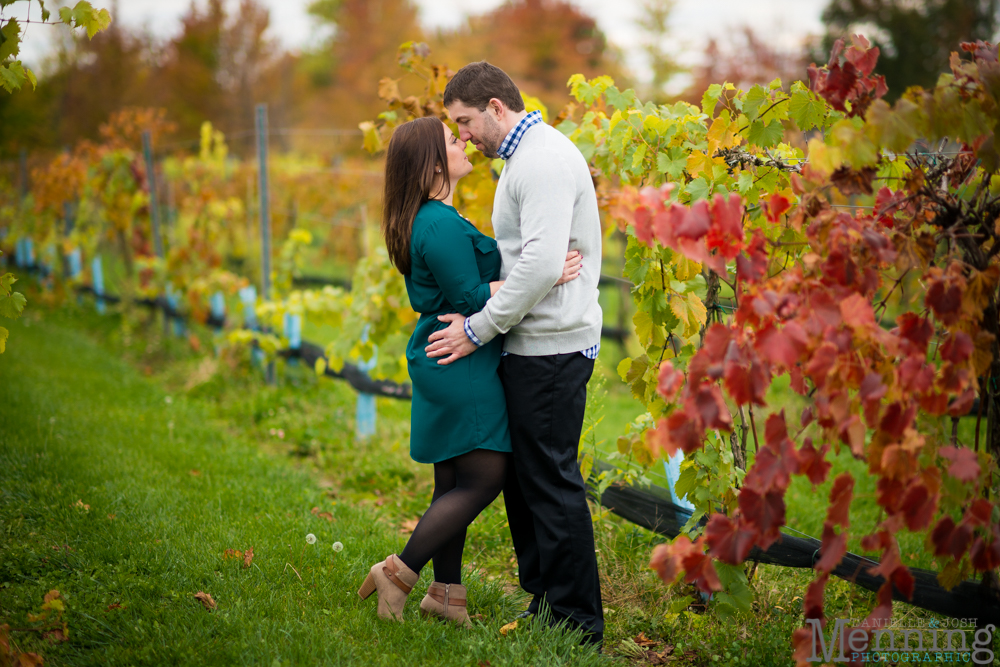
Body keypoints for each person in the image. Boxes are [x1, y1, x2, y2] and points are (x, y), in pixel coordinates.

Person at [357, 115, 582, 626]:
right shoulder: (436, 223)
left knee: (453, 481)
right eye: (451, 138)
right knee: (485, 478)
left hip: (447, 356)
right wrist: (545, 275)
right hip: (461, 362)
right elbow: (471, 298)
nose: (463, 141)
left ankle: (447, 595)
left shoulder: (433, 217)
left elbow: (470, 293)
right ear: (433, 164)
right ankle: (398, 572)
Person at [425, 61, 605, 646]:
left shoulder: (544, 161)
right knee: (528, 482)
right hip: (530, 340)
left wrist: (477, 328)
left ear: (497, 108)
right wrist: (508, 291)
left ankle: (577, 622)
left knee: (550, 481)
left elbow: (541, 263)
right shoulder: (521, 162)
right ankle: (547, 602)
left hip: (553, 345)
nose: (464, 134)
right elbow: (528, 263)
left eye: (466, 120)